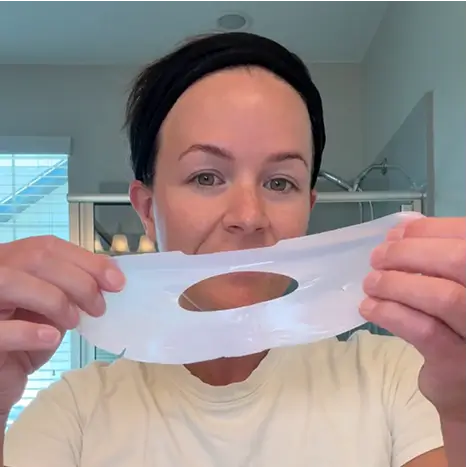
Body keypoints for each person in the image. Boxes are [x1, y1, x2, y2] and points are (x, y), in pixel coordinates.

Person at [1, 32, 465, 467]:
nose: (248, 215)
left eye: (279, 182)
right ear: (147, 209)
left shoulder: (400, 380)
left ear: (308, 207)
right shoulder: (74, 416)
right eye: (206, 177)